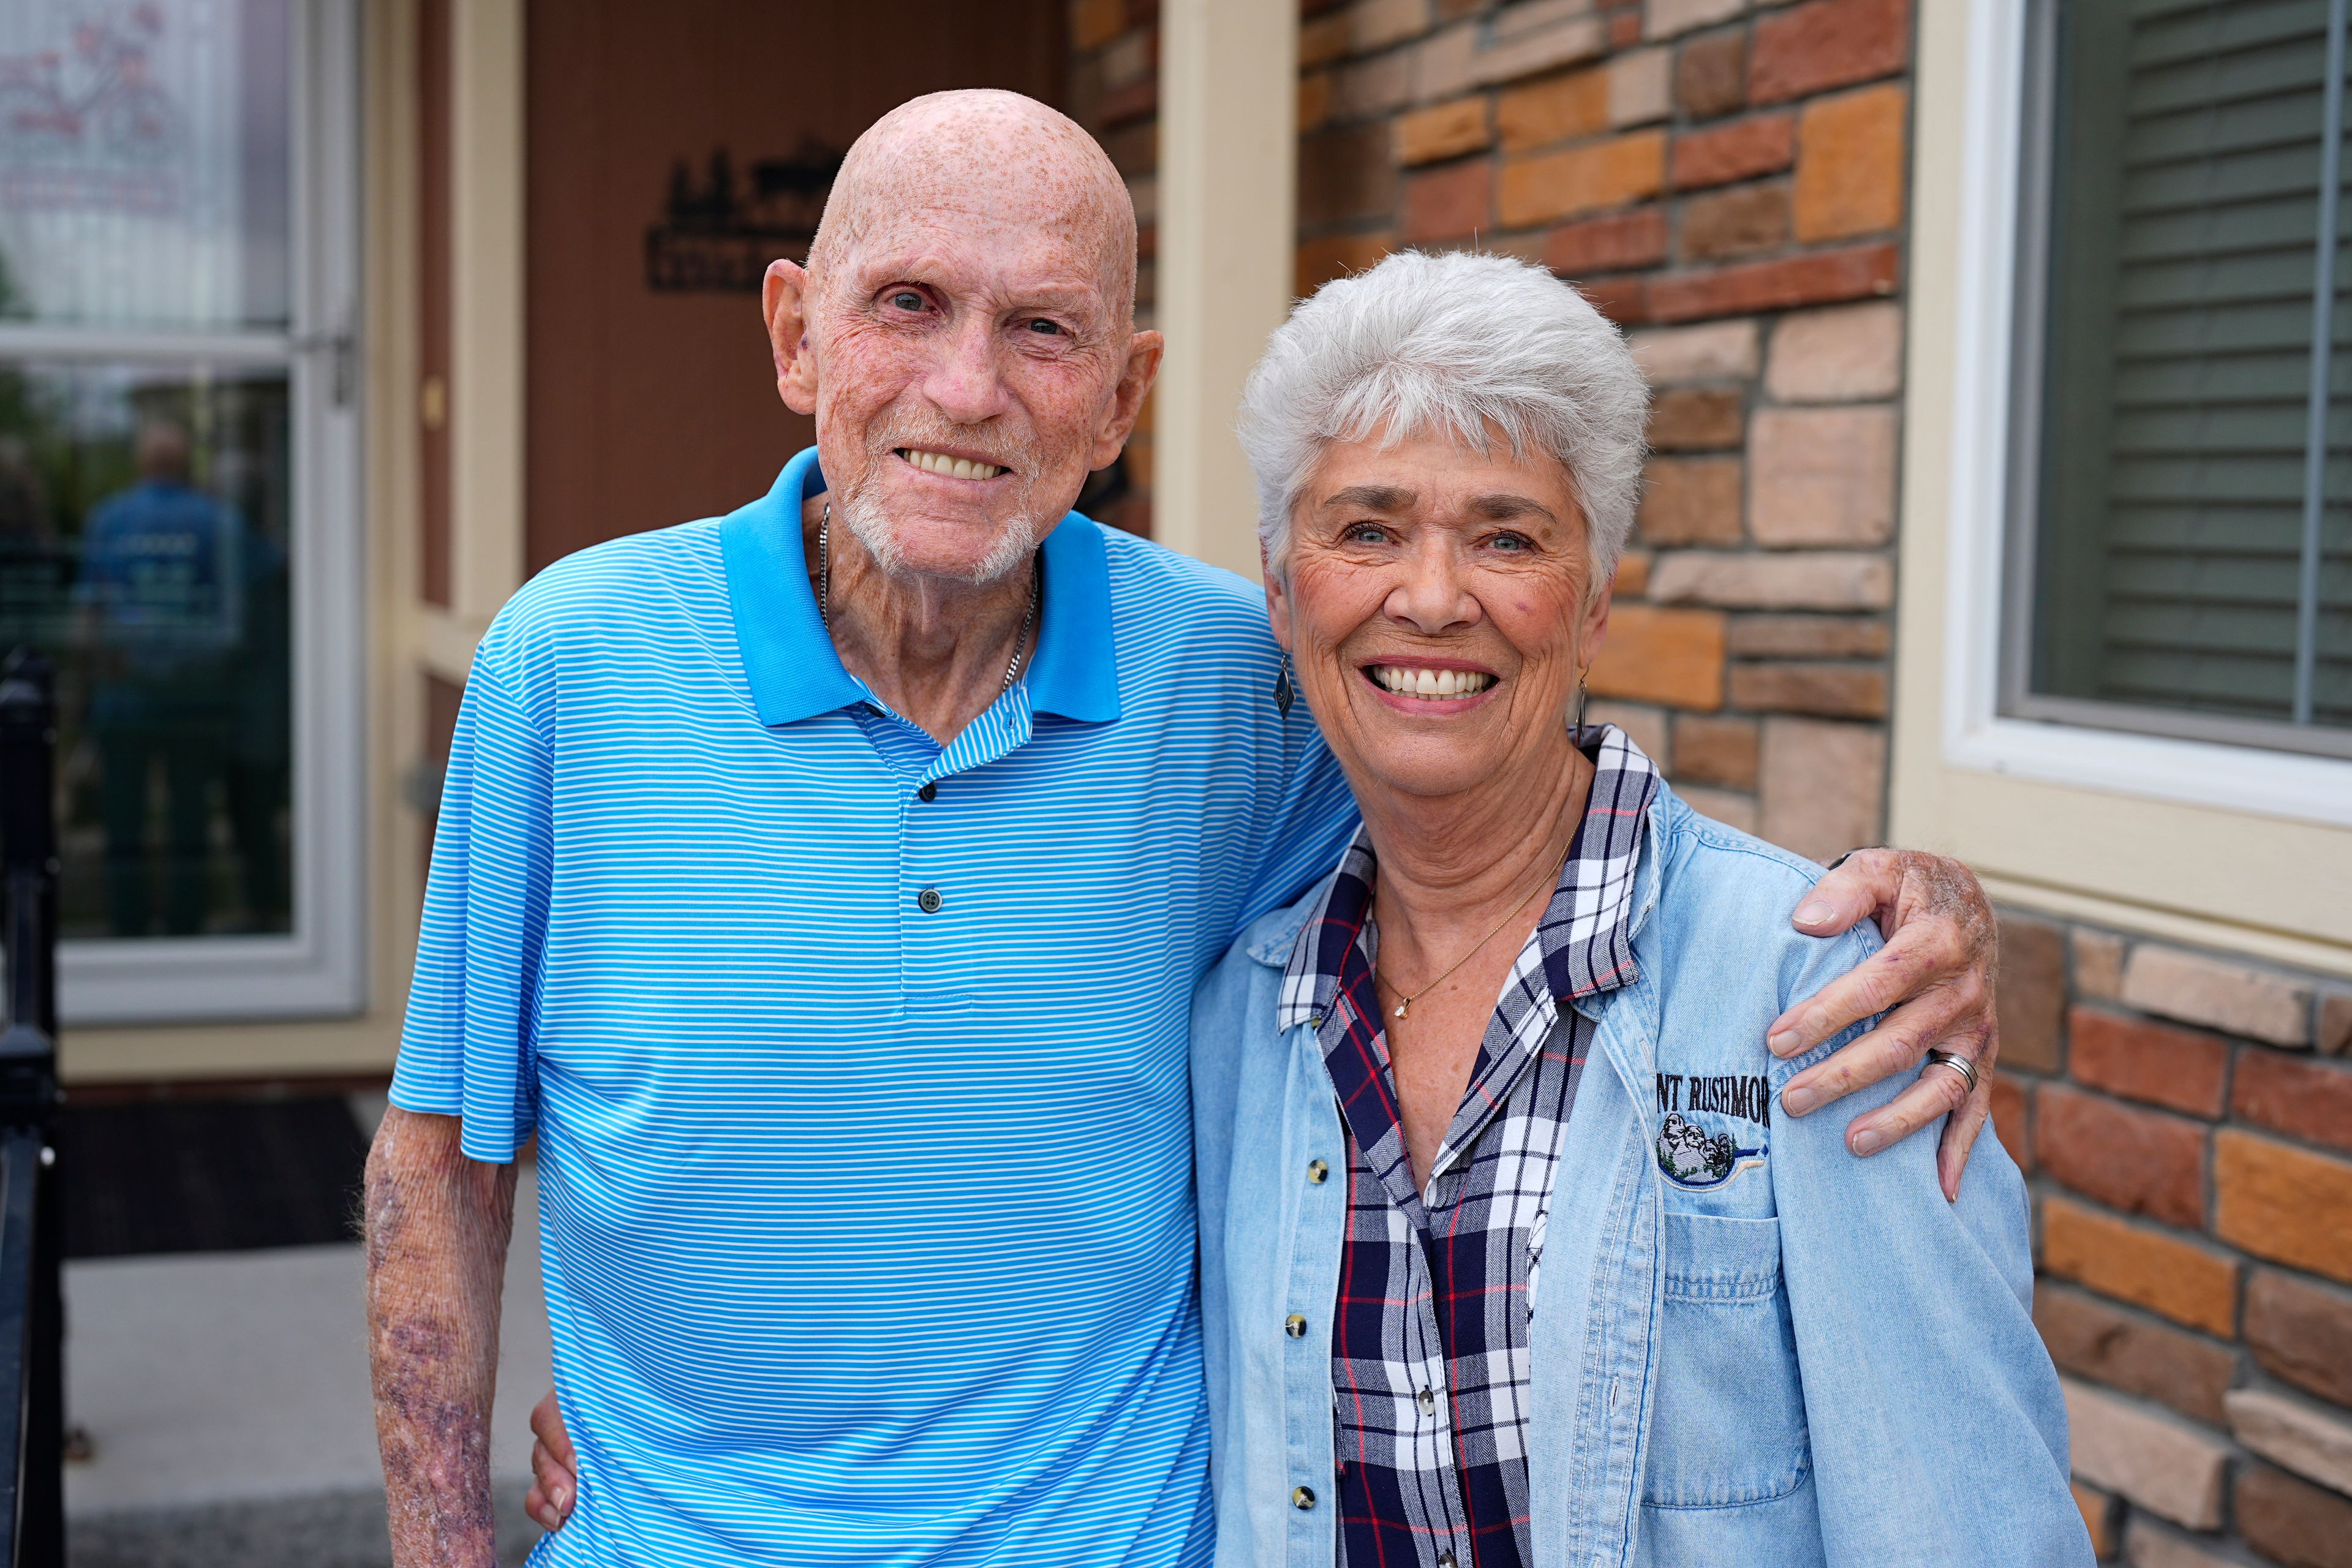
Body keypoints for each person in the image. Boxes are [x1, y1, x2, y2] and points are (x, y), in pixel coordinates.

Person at [369, 91, 2005, 1568]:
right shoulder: (570, 667)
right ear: (799, 336)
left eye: (1043, 330)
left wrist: (1916, 913)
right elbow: (440, 1162)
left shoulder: (1237, 680)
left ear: (1122, 397)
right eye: (908, 306)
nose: (966, 385)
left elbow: (1510, 797)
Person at [1189, 250, 2084, 1566]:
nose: (1432, 596)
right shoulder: (1242, 1016)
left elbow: (1965, 1523)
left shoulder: (1825, 992)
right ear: (1279, 591)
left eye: (1508, 535)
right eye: (1367, 527)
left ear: (1595, 600)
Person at [77, 419, 247, 936]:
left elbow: (91, 615)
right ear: (186, 461)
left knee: (124, 826)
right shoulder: (216, 520)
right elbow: (233, 620)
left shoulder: (110, 518)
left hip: (126, 699)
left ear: (141, 461)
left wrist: (97, 677)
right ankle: (185, 928)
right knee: (189, 825)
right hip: (195, 701)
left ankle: (128, 928)